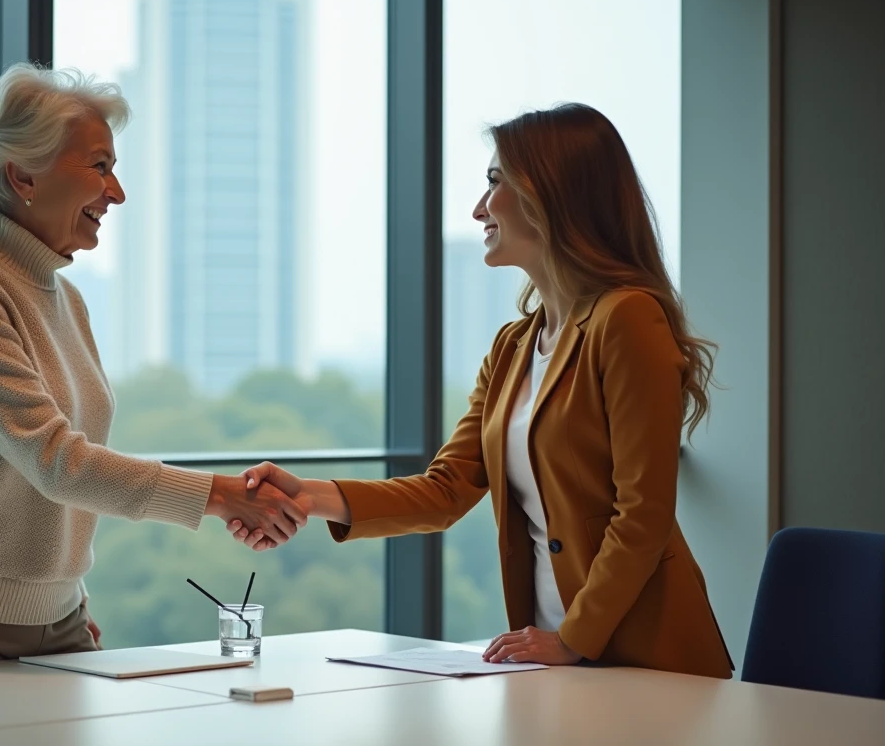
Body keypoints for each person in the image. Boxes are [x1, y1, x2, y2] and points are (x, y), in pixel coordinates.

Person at [229, 103, 734, 679]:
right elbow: (446, 491)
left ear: (550, 193)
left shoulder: (627, 318)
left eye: (494, 183)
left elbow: (642, 514)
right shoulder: (514, 346)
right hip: (553, 658)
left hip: (646, 662)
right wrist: (307, 497)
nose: (477, 208)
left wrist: (572, 637)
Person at [0, 63, 306, 671]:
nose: (117, 192)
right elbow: (55, 459)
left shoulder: (65, 297)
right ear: (23, 175)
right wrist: (223, 495)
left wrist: (66, 596)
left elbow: (51, 481)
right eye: (99, 167)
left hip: (57, 618)